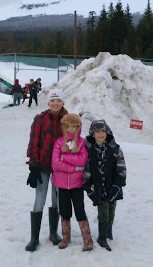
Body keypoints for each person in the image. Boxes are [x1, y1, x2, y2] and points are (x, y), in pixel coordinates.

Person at [25, 88, 68, 252]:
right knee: (39, 200)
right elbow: (33, 143)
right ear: (48, 102)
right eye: (52, 100)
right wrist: (34, 166)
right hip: (42, 166)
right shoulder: (40, 119)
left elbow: (72, 141)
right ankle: (34, 238)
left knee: (56, 200)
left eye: (58, 101)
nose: (55, 103)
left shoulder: (67, 119)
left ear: (63, 102)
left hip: (59, 168)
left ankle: (53, 233)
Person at [83, 119, 127, 251]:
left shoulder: (114, 148)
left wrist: (117, 185)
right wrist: (88, 188)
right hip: (98, 187)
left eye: (103, 131)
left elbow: (121, 167)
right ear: (92, 134)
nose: (101, 134)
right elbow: (86, 170)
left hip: (113, 186)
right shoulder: (89, 150)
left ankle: (108, 232)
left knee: (112, 210)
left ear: (107, 132)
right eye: (97, 132)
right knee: (103, 213)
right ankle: (101, 238)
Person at [51, 113, 93, 251]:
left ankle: (87, 240)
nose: (70, 129)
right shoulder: (59, 142)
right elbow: (55, 163)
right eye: (68, 126)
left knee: (80, 210)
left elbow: (83, 160)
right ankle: (65, 238)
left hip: (77, 184)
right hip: (62, 184)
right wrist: (74, 167)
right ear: (63, 126)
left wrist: (65, 157)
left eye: (74, 127)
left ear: (78, 127)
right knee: (64, 211)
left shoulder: (81, 142)